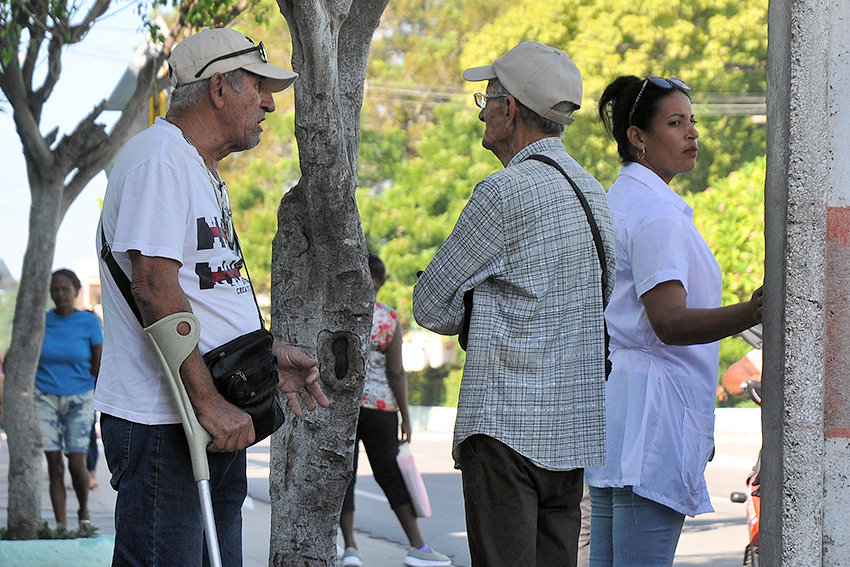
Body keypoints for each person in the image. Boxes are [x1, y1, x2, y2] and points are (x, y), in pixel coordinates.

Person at [96, 28, 328, 566]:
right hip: (168, 421)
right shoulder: (161, 159)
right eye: (259, 87)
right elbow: (153, 286)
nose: (269, 104)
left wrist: (265, 357)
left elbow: (204, 294)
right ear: (219, 87)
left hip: (207, 417)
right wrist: (208, 403)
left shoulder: (198, 167)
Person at [412, 41, 616, 567]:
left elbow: (430, 304)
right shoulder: (593, 193)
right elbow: (600, 298)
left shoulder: (503, 193)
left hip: (504, 431)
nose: (482, 111)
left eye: (486, 100)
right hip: (570, 433)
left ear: (510, 109)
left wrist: (475, 305)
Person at [584, 75, 764, 567]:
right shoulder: (656, 214)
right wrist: (753, 311)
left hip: (623, 408)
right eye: (675, 123)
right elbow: (669, 322)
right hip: (653, 414)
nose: (692, 133)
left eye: (692, 121)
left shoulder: (621, 199)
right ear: (637, 137)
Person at [339, 253, 451, 567]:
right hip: (381, 409)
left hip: (344, 410)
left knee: (344, 476)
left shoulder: (339, 316)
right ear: (381, 283)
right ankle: (418, 545)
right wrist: (405, 416)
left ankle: (350, 549)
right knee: (391, 475)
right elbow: (396, 373)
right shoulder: (388, 318)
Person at [33, 268, 103, 531]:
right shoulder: (41, 322)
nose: (60, 294)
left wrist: (97, 395)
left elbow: (98, 362)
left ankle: (83, 511)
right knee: (54, 464)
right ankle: (61, 526)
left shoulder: (89, 322)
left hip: (80, 397)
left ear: (76, 291)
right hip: (45, 398)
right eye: (55, 289)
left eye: (65, 289)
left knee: (76, 462)